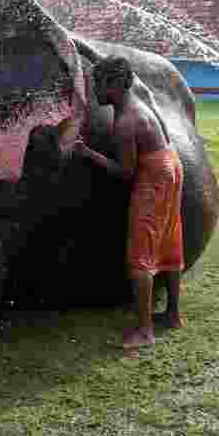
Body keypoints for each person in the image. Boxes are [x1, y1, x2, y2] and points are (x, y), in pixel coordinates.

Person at [74, 56, 184, 349]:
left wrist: (88, 154)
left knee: (141, 252)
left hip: (154, 175)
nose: (94, 91)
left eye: (98, 84)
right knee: (170, 237)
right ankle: (173, 314)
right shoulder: (138, 96)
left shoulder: (125, 123)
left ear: (114, 85)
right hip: (172, 163)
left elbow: (125, 172)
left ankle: (145, 331)